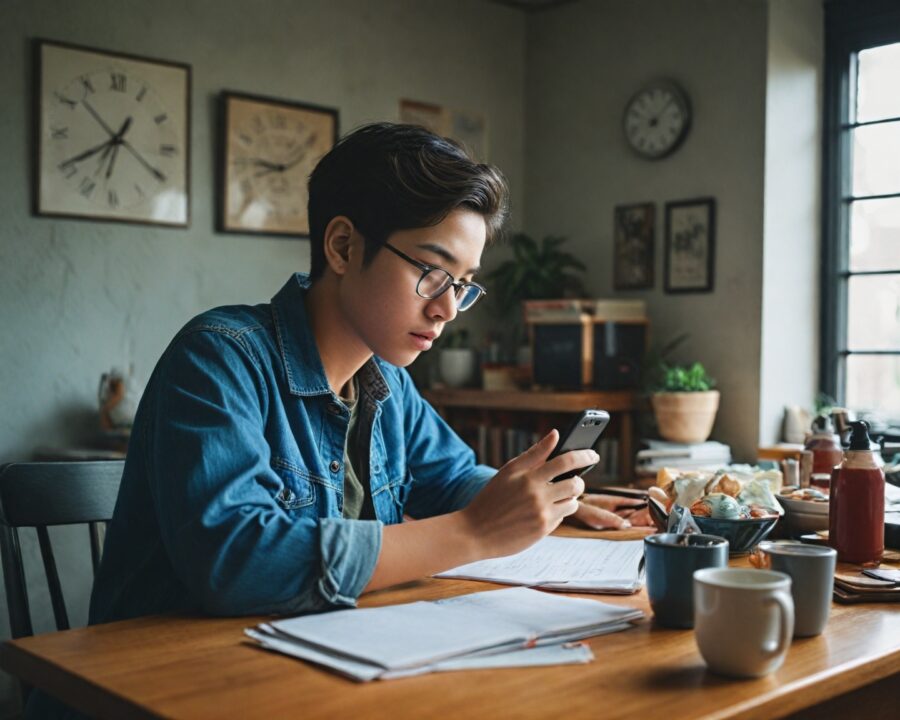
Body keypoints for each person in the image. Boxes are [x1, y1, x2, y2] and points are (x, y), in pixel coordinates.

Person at [83, 122, 650, 626]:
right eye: (432, 271)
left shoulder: (388, 383)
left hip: (309, 666)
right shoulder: (218, 359)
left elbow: (453, 481)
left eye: (463, 283)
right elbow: (238, 560)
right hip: (161, 687)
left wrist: (548, 503)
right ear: (343, 246)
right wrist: (475, 531)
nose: (448, 309)